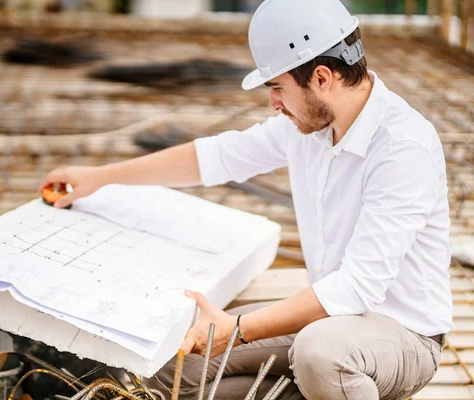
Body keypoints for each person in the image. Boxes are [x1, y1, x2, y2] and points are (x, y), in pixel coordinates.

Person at [39, 0, 453, 398]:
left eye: (277, 87)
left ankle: (339, 384)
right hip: (328, 319)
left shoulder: (402, 147)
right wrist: (101, 178)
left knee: (319, 354)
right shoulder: (308, 126)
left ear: (322, 77)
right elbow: (216, 158)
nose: (273, 103)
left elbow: (357, 287)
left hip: (402, 336)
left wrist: (236, 327)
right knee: (171, 362)